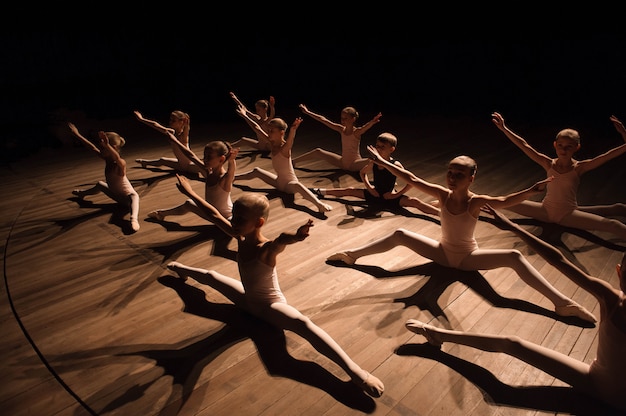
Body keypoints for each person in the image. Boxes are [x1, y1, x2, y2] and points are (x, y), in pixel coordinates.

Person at [167, 173, 384, 398]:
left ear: (258, 223)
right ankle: (181, 270)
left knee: (302, 324)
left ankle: (355, 372)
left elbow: (281, 240)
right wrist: (190, 192)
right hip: (247, 300)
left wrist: (297, 237)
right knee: (211, 276)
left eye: (240, 219)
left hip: (270, 308)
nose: (233, 222)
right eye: (234, 217)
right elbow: (212, 214)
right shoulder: (238, 235)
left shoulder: (265, 248)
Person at [327, 146, 596, 323]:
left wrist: (531, 192)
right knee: (400, 232)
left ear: (471, 178)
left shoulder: (475, 202)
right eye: (450, 172)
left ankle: (561, 304)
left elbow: (504, 200)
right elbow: (411, 177)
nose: (452, 177)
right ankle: (352, 256)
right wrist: (383, 161)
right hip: (442, 253)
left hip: (468, 258)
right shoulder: (442, 194)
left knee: (513, 260)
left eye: (459, 174)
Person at [405, 205, 626, 413]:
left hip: (607, 392)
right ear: (618, 271)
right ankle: (436, 334)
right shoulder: (610, 298)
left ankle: (436, 334)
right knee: (511, 344)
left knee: (506, 376)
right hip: (595, 379)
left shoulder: (610, 298)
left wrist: (513, 227)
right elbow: (557, 260)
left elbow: (558, 260)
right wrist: (513, 227)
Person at [491, 112, 626, 240]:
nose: (563, 149)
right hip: (545, 210)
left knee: (613, 224)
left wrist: (624, 133)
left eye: (569, 146)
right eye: (560, 145)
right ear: (555, 145)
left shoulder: (580, 167)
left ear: (577, 147)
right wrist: (504, 128)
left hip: (568, 214)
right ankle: (469, 199)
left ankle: (619, 210)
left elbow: (608, 156)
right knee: (502, 201)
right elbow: (524, 145)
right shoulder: (548, 163)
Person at [134, 111, 238, 222]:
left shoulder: (224, 179)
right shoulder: (207, 171)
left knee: (236, 223)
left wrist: (232, 161)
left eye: (209, 157)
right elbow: (190, 155)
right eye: (205, 156)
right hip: (211, 214)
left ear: (221, 159)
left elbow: (231, 172)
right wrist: (175, 140)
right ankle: (161, 214)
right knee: (188, 204)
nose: (205, 160)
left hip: (226, 218)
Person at [233, 104, 333, 214]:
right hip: (279, 182)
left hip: (289, 184)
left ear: (281, 132)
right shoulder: (271, 144)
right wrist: (244, 115)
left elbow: (290, 141)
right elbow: (256, 128)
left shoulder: (285, 148)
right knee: (257, 171)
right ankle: (232, 178)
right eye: (269, 130)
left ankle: (319, 205)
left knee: (298, 185)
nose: (268, 132)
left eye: (271, 131)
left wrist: (293, 130)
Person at [313, 132, 440, 217]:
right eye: (377, 146)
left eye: (382, 147)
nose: (378, 149)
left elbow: (411, 182)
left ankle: (441, 214)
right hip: (375, 194)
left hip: (389, 197)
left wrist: (396, 194)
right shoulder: (373, 162)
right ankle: (319, 191)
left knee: (415, 202)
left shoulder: (395, 164)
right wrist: (370, 189)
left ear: (392, 149)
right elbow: (363, 174)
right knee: (350, 190)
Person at [68, 122, 141, 233]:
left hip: (127, 200)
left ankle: (133, 219)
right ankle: (83, 193)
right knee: (100, 184)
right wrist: (77, 135)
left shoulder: (120, 163)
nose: (100, 150)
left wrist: (107, 145)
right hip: (117, 197)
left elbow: (116, 157)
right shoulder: (108, 160)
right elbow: (92, 148)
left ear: (113, 148)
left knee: (134, 196)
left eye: (103, 148)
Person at [293, 104, 382, 172]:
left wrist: (372, 122)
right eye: (342, 118)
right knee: (318, 151)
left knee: (373, 160)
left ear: (353, 119)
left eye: (345, 118)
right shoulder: (341, 129)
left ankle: (390, 173)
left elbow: (365, 127)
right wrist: (307, 112)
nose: (343, 120)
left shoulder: (356, 132)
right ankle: (293, 161)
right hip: (343, 162)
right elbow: (323, 120)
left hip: (355, 164)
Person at [135, 110, 203, 175]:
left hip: (190, 165)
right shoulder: (171, 132)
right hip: (180, 165)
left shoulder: (183, 135)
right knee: (162, 160)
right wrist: (142, 119)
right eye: (170, 120)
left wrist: (187, 123)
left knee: (203, 168)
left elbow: (187, 128)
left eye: (173, 120)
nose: (170, 122)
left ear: (181, 122)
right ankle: (144, 162)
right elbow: (156, 125)